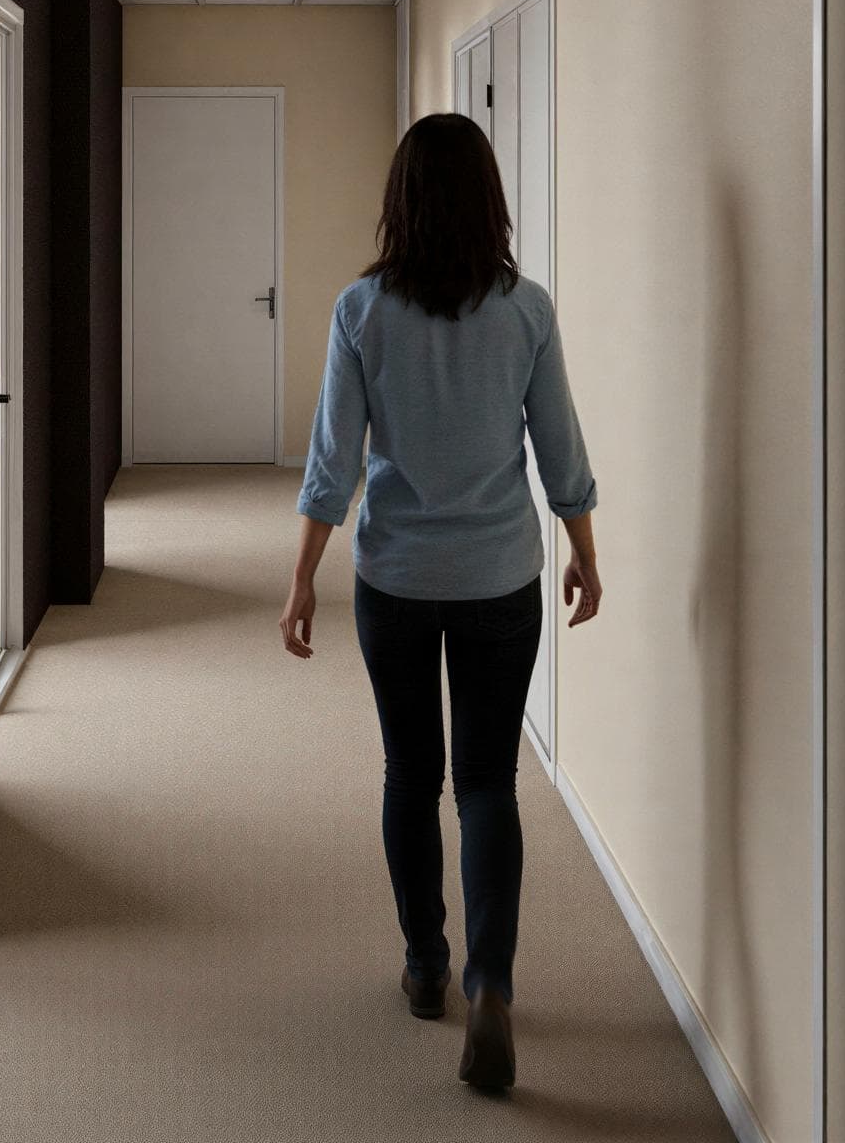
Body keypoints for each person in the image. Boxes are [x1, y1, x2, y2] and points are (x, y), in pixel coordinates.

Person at [281, 112, 601, 1093]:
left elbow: (336, 461)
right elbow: (560, 448)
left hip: (397, 583)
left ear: (400, 204)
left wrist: (302, 576)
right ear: (490, 201)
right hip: (503, 577)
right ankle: (491, 984)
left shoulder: (362, 311)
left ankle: (426, 966)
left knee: (410, 774)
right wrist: (584, 547)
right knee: (489, 784)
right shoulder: (526, 310)